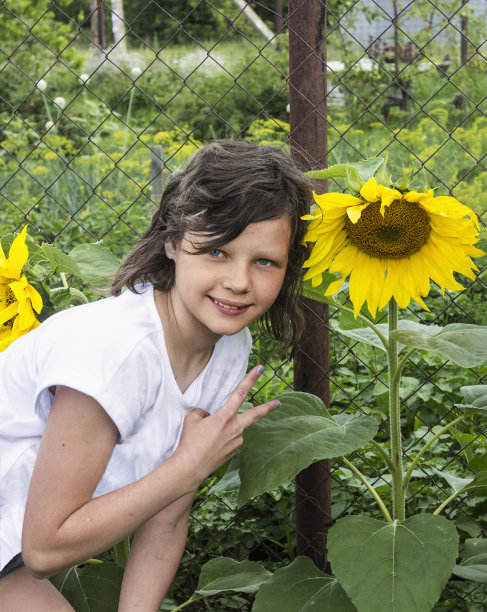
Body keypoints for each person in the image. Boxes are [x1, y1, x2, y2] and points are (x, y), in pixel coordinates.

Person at [0, 139, 313, 611]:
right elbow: (46, 549)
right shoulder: (115, 353)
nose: (239, 282)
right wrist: (189, 466)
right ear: (172, 242)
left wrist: (185, 472)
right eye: (217, 252)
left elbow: (167, 515)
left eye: (264, 261)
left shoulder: (229, 346)